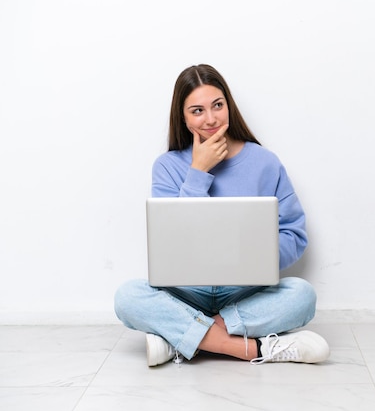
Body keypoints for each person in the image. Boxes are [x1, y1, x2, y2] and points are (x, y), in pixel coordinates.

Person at [114, 64, 329, 367]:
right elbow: (172, 240)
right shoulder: (168, 166)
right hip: (186, 292)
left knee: (302, 295)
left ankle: (181, 340)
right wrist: (198, 172)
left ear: (229, 105)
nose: (211, 118)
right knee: (127, 297)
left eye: (218, 105)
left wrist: (255, 257)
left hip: (244, 292)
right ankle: (255, 349)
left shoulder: (264, 162)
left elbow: (293, 233)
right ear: (184, 117)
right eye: (197, 110)